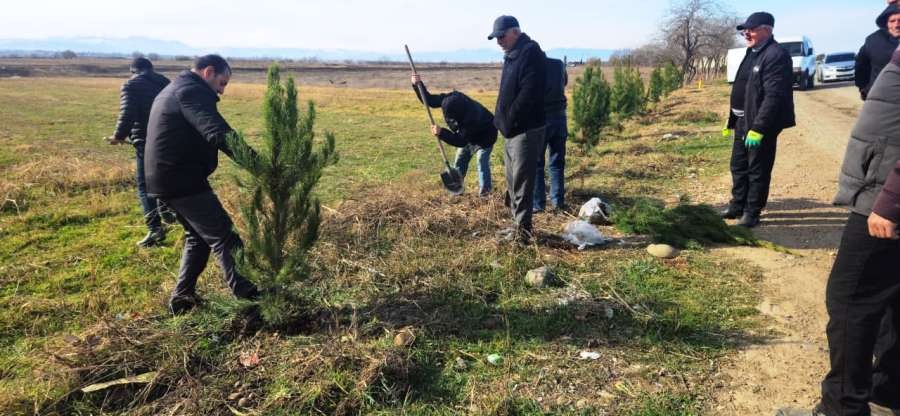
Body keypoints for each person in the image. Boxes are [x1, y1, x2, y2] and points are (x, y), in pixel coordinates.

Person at [776, 44, 900, 416]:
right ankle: (887, 393)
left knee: (850, 299)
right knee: (892, 296)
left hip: (883, 199)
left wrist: (892, 200)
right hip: (883, 190)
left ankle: (842, 408)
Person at [144, 54, 259, 314]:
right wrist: (260, 166)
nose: (222, 90)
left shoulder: (175, 88)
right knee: (226, 239)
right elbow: (218, 133)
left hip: (165, 176)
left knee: (197, 238)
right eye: (222, 83)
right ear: (208, 72)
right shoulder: (190, 92)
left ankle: (182, 299)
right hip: (179, 177)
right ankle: (250, 300)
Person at [721, 12, 795, 228]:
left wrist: (759, 128)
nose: (747, 33)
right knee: (738, 165)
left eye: (751, 29)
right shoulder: (752, 52)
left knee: (757, 169)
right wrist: (732, 119)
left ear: (767, 30)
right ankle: (737, 206)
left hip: (760, 125)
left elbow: (774, 96)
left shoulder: (776, 55)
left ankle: (752, 212)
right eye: (745, 29)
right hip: (743, 122)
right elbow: (744, 88)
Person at [488, 15, 547, 244]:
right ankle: (517, 226)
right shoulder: (512, 56)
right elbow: (506, 93)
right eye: (496, 38)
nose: (499, 41)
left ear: (515, 32)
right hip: (511, 130)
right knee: (512, 182)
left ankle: (523, 234)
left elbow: (528, 94)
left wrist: (509, 119)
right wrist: (500, 120)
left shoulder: (531, 53)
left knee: (522, 182)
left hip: (526, 130)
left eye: (502, 36)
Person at [106, 57, 171, 247]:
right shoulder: (164, 82)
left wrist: (118, 136)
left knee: (145, 186)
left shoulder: (131, 84)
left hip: (146, 141)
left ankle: (155, 229)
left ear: (133, 70)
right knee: (167, 180)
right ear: (151, 68)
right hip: (169, 138)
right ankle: (172, 217)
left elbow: (128, 112)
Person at [410, 74, 497, 196]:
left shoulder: (471, 117)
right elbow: (429, 100)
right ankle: (457, 190)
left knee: (482, 163)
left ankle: (485, 194)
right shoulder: (450, 99)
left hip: (485, 136)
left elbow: (460, 141)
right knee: (459, 161)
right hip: (467, 134)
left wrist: (442, 133)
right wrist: (417, 85)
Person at [533, 57, 568, 212]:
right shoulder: (559, 64)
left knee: (537, 164)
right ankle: (557, 203)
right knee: (557, 163)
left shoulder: (534, 66)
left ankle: (538, 204)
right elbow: (564, 82)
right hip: (560, 117)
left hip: (541, 119)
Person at [856, 3, 900, 100]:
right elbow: (861, 66)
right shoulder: (873, 41)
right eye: (892, 21)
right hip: (882, 98)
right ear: (886, 24)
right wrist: (864, 89)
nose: (897, 25)